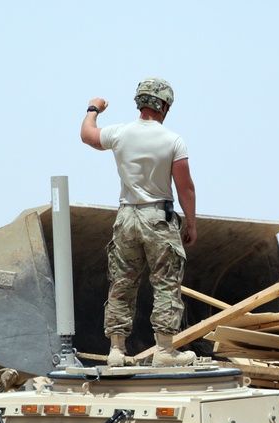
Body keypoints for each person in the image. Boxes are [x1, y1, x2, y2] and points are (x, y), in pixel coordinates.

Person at [80, 77, 197, 367]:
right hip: (158, 218)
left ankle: (117, 351)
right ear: (165, 105)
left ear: (140, 102)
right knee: (166, 284)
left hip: (126, 218)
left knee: (121, 284)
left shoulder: (120, 133)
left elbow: (88, 136)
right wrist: (191, 224)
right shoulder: (173, 141)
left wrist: (93, 108)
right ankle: (166, 351)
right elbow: (185, 187)